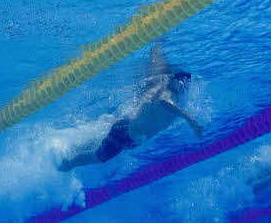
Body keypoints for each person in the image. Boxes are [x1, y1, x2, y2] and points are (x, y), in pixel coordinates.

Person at [58, 46, 203, 171]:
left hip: (130, 135)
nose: (185, 86)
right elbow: (163, 101)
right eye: (183, 83)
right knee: (98, 156)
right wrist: (191, 120)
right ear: (175, 82)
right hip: (124, 134)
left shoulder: (176, 94)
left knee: (98, 147)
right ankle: (67, 164)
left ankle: (73, 148)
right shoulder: (167, 92)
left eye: (187, 83)